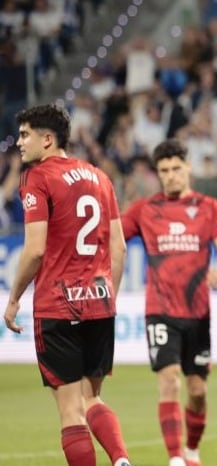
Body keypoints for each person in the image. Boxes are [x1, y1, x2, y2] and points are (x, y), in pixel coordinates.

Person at [3, 104, 133, 466]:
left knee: (70, 413)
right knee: (92, 400)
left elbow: (35, 250)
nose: (20, 142)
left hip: (58, 306)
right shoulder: (99, 177)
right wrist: (109, 297)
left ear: (48, 139)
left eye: (26, 134)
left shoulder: (37, 177)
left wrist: (13, 299)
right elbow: (119, 247)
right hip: (98, 303)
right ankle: (121, 459)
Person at [121, 139, 217, 466]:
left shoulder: (208, 206)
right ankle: (175, 459)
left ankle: (192, 451)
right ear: (158, 174)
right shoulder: (144, 209)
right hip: (159, 311)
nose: (170, 176)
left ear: (188, 168)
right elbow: (112, 234)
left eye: (175, 169)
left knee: (198, 391)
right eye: (163, 171)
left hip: (197, 313)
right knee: (169, 380)